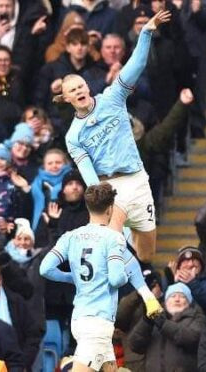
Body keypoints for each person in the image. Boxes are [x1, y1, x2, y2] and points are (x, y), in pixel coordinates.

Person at [60, 9, 171, 265]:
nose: (78, 90)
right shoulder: (73, 136)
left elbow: (137, 65)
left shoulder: (112, 98)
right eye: (72, 90)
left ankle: (131, 263)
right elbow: (88, 174)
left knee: (146, 254)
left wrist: (145, 33)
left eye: (80, 86)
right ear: (67, 99)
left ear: (87, 87)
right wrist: (101, 197)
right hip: (110, 186)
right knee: (114, 237)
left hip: (138, 179)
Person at [40, 182, 128, 372]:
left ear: (88, 207)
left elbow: (45, 269)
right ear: (110, 208)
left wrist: (72, 277)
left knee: (111, 369)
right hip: (98, 320)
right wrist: (126, 275)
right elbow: (116, 279)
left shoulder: (71, 236)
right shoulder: (113, 238)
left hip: (80, 318)